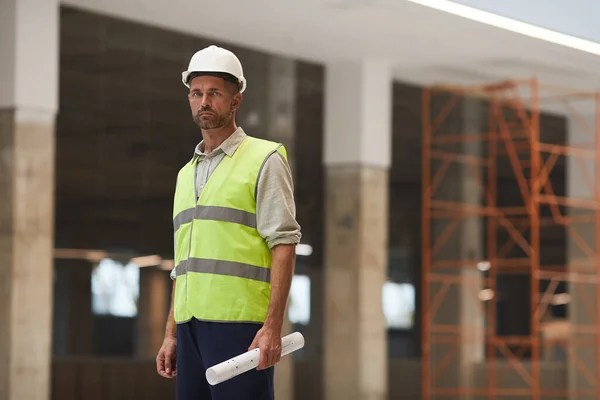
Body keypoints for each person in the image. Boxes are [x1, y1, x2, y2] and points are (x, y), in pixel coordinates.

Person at [155, 45, 301, 400]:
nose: (204, 101)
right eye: (196, 93)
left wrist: (271, 327)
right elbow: (183, 263)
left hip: (240, 328)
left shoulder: (263, 159)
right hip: (190, 328)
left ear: (235, 100)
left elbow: (284, 244)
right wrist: (172, 332)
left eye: (214, 93)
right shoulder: (184, 175)